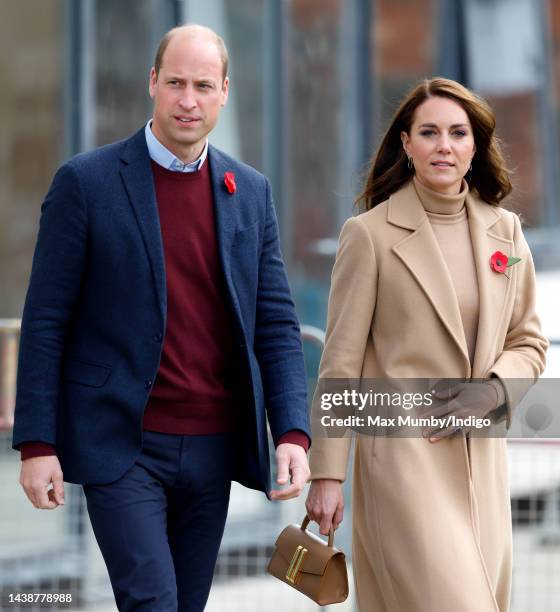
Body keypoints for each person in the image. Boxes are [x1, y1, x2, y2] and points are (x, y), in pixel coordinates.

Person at [13, 24, 310, 612]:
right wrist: (37, 442)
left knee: (185, 604)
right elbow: (46, 319)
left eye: (203, 85)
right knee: (153, 601)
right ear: (153, 83)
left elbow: (274, 323)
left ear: (225, 91)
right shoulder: (87, 183)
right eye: (175, 82)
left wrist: (294, 432)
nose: (188, 100)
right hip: (123, 445)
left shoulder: (248, 192)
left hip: (214, 448)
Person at [305, 77, 548, 611]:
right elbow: (340, 363)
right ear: (407, 145)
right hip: (402, 462)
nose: (444, 145)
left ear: (475, 146)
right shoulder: (369, 235)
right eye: (430, 132)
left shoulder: (506, 231)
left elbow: (529, 341)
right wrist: (327, 475)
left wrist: (492, 392)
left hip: (482, 466)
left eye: (458, 133)